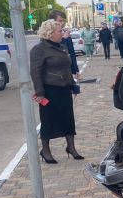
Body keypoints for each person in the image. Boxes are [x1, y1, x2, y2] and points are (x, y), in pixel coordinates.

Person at [29, 19, 84, 163]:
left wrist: (73, 86)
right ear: (50, 33)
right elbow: (35, 72)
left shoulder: (62, 47)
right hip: (49, 90)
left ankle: (71, 147)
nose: (63, 33)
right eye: (60, 31)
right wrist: (40, 93)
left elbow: (66, 68)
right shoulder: (39, 50)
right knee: (48, 120)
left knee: (68, 119)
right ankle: (45, 150)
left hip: (64, 88)